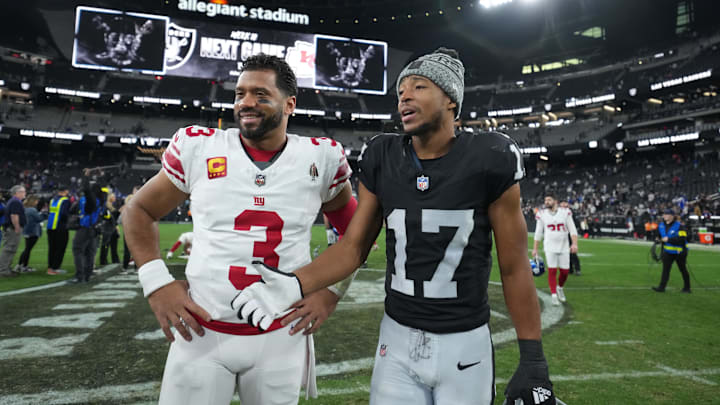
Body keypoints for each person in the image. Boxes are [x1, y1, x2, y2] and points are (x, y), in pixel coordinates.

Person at [233, 48, 556, 405]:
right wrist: (296, 284)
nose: (405, 96)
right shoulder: (382, 156)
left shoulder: (490, 157)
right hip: (397, 340)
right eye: (401, 90)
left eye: (419, 87)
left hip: (465, 343)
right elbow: (353, 246)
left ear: (451, 100)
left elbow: (513, 267)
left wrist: (533, 358)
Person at [123, 54, 359, 405]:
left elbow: (356, 234)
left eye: (261, 95)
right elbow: (138, 209)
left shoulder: (320, 158)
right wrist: (157, 284)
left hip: (281, 335)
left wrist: (330, 293)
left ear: (289, 104)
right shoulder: (200, 147)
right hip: (201, 332)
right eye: (240, 94)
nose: (246, 103)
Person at [532, 193, 578, 305]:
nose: (546, 202)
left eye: (549, 200)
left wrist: (575, 244)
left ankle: (560, 288)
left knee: (565, 272)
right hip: (549, 246)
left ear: (555, 201)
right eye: (545, 200)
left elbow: (572, 229)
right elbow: (538, 233)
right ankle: (553, 295)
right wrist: (535, 249)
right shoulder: (542, 214)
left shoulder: (565, 213)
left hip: (564, 246)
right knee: (552, 271)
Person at [69, 181, 104, 284]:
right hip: (94, 229)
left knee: (78, 250)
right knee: (90, 253)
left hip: (85, 227)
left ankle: (80, 276)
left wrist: (86, 178)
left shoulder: (86, 199)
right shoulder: (100, 199)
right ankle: (87, 275)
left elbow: (72, 210)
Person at [652, 209, 691, 293]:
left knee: (682, 269)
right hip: (667, 251)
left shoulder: (680, 226)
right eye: (664, 214)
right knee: (665, 269)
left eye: (667, 214)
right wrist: (657, 239)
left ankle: (687, 288)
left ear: (672, 216)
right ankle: (661, 288)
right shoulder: (661, 225)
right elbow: (658, 235)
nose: (664, 216)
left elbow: (682, 239)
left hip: (679, 252)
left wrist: (668, 240)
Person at [0, 185, 27, 278]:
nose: (25, 193)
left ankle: (6, 268)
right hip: (12, 228)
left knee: (10, 249)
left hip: (10, 228)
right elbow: (14, 215)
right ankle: (3, 270)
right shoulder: (16, 202)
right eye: (23, 191)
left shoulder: (14, 201)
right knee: (9, 249)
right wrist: (17, 227)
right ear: (17, 193)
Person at [16, 195, 47, 273]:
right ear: (33, 201)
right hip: (32, 231)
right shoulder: (32, 210)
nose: (37, 202)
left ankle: (22, 266)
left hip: (27, 230)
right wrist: (45, 213)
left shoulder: (25, 208)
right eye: (36, 201)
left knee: (27, 249)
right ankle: (21, 265)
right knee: (27, 249)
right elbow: (39, 219)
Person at [46, 185, 71, 275]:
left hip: (50, 227)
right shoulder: (65, 200)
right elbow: (64, 214)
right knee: (60, 248)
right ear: (65, 191)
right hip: (60, 227)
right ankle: (55, 268)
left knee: (52, 248)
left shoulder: (52, 200)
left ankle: (50, 267)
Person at [99, 190, 120, 265]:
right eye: (113, 196)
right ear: (110, 197)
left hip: (113, 227)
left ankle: (115, 260)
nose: (115, 198)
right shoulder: (106, 206)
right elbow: (106, 217)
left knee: (114, 245)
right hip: (107, 228)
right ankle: (103, 260)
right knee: (105, 245)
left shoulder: (112, 206)